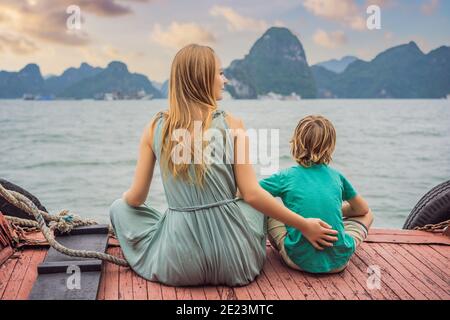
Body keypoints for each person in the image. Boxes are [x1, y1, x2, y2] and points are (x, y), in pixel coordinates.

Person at [109, 44, 338, 286]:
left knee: (119, 207)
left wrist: (127, 197)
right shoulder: (232, 123)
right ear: (202, 78)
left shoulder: (155, 127)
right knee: (257, 200)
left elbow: (135, 200)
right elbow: (251, 195)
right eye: (219, 73)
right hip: (236, 263)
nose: (225, 80)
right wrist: (304, 225)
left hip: (178, 264)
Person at [260, 115, 374, 273]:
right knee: (369, 215)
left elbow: (252, 193)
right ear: (331, 147)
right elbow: (362, 210)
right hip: (339, 263)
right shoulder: (337, 176)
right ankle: (344, 245)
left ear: (295, 142)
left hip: (297, 261)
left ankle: (284, 247)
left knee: (267, 208)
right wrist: (336, 212)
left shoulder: (285, 176)